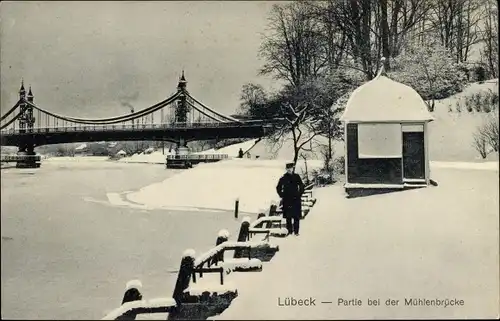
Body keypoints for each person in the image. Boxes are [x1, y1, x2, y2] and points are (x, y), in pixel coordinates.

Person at [276, 162, 305, 236]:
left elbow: (301, 186)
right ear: (286, 169)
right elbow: (278, 187)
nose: (289, 170)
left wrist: (299, 194)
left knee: (296, 217)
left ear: (293, 169)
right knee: (288, 217)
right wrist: (282, 195)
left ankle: (296, 232)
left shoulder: (296, 176)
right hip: (287, 200)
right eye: (288, 168)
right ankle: (289, 231)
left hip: (296, 199)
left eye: (290, 168)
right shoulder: (283, 178)